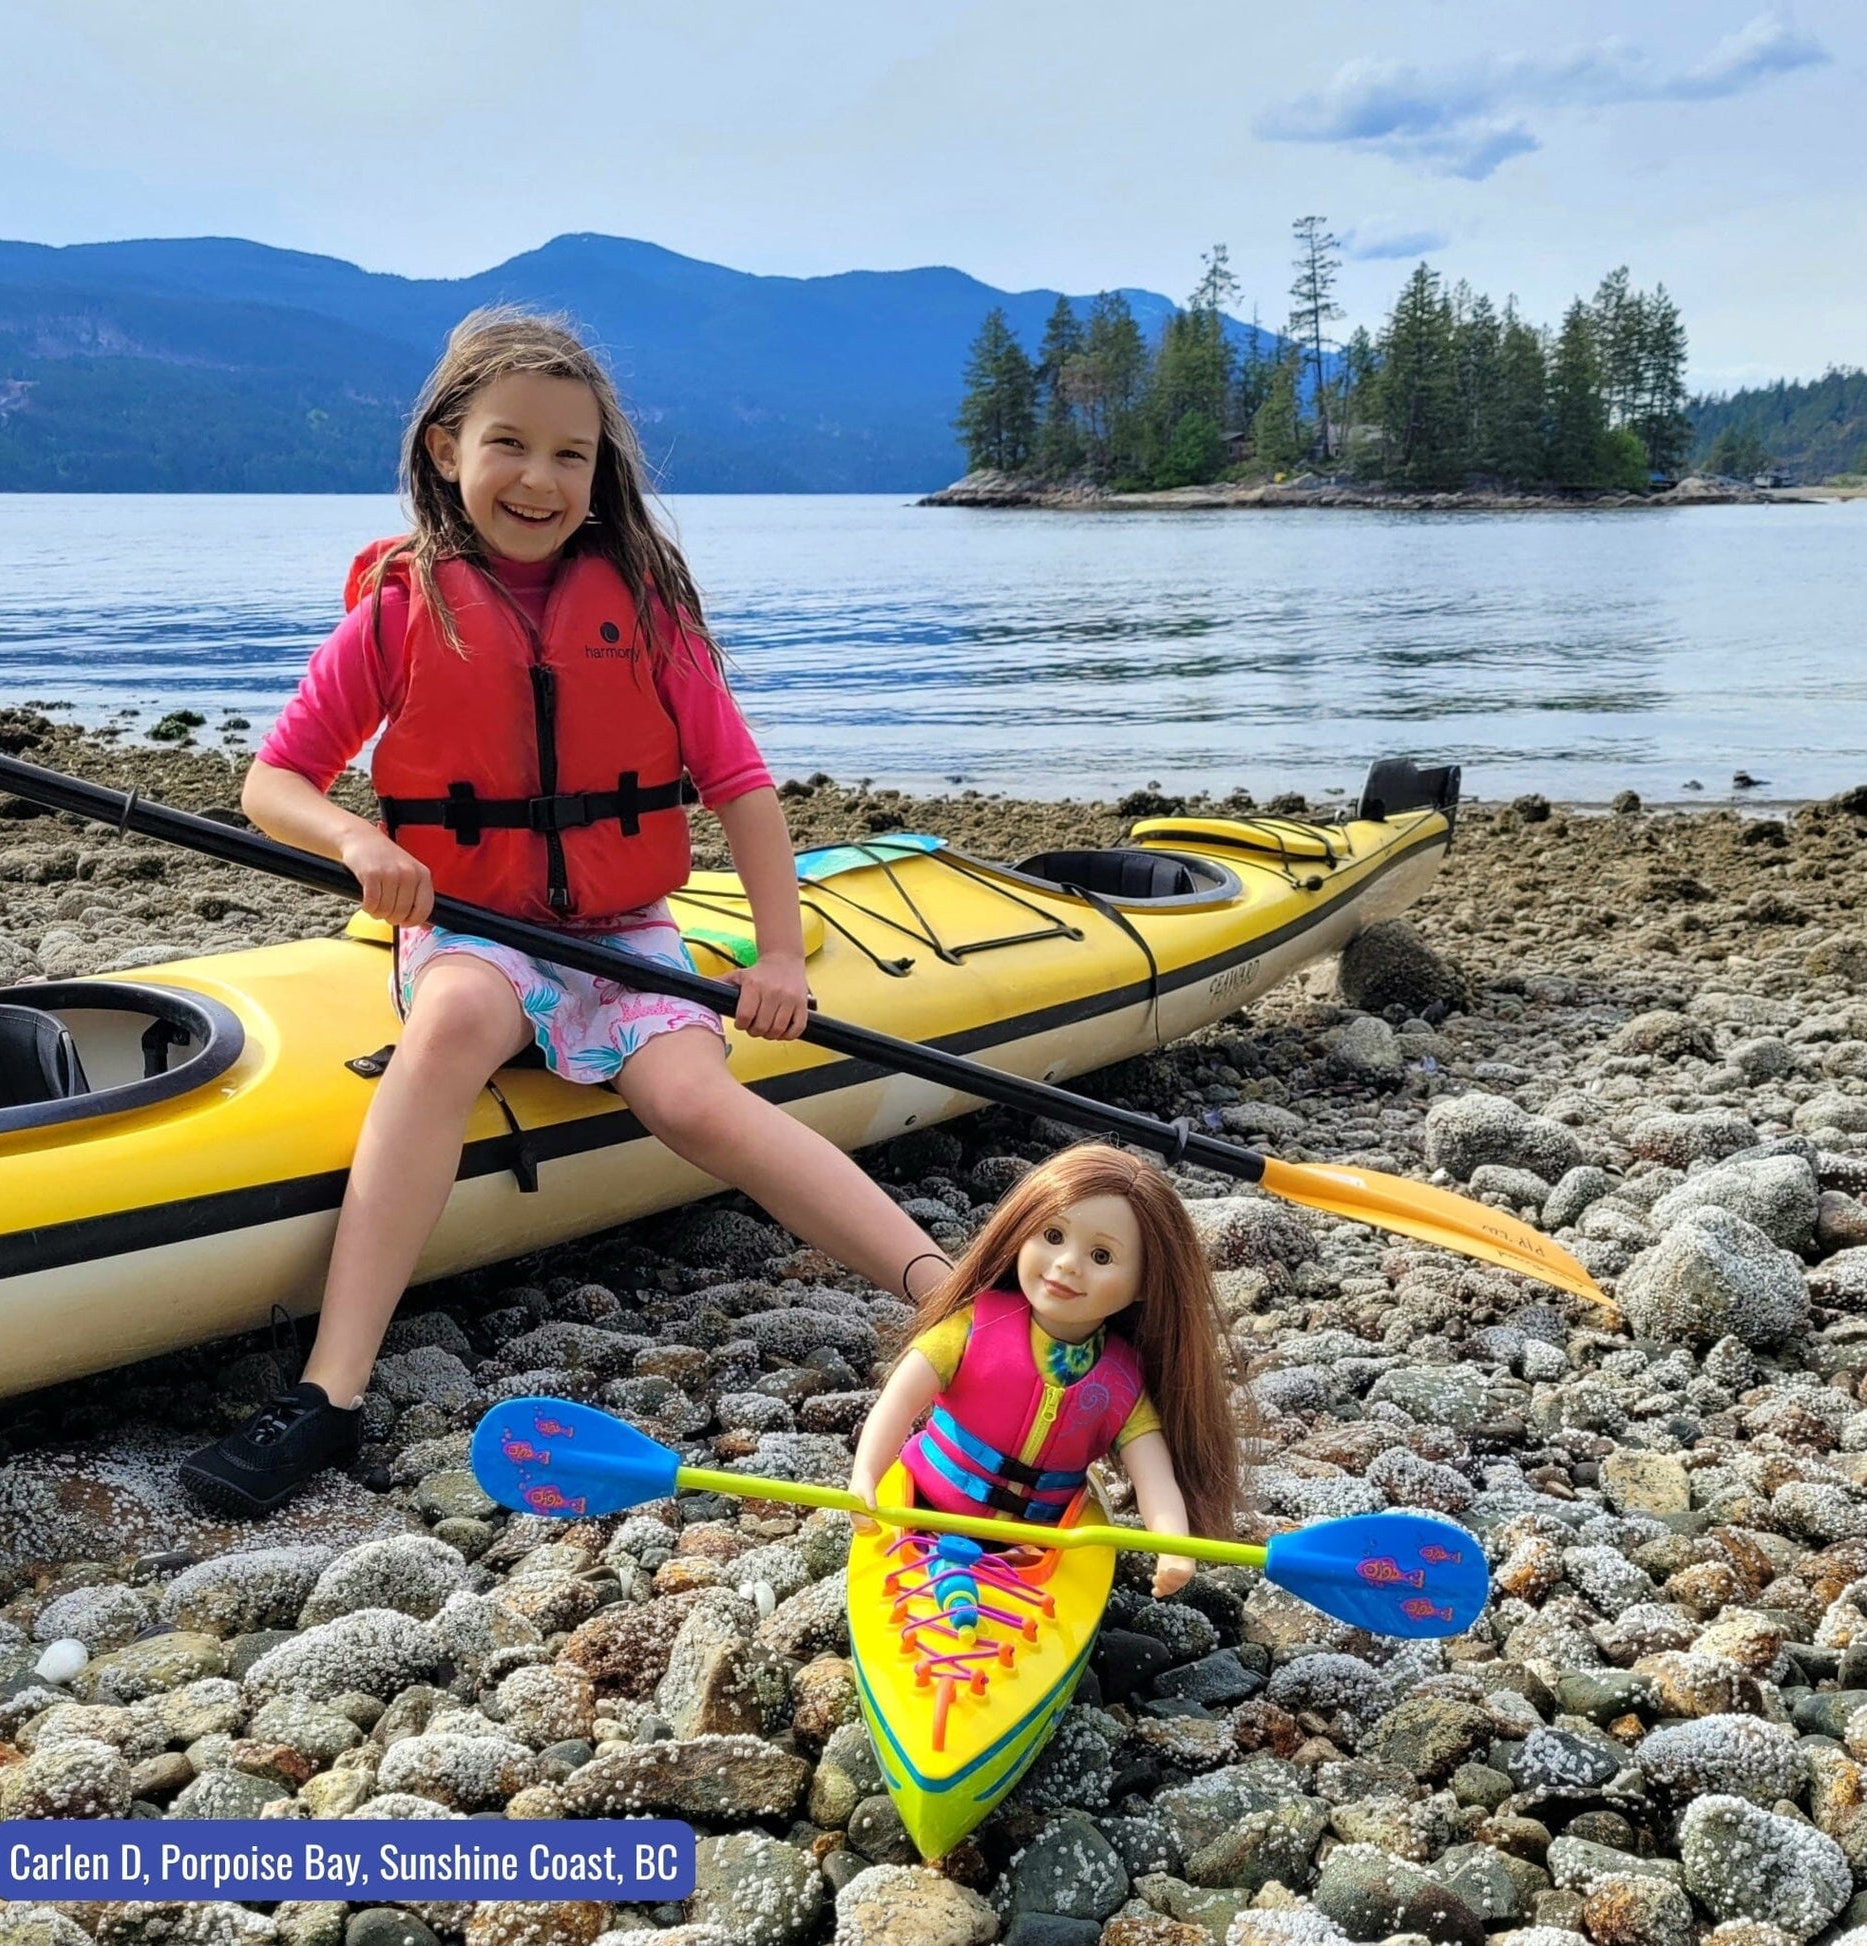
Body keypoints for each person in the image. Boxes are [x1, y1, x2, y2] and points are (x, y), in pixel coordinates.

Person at [181, 305, 951, 1515]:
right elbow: (273, 780)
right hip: (475, 928)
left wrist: (783, 956)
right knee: (444, 1031)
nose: (539, 478)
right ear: (445, 449)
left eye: (569, 454)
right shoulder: (400, 608)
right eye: (509, 443)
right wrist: (356, 838)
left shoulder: (642, 604)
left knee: (695, 1097)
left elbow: (742, 791)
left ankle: (943, 1297)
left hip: (625, 928)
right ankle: (328, 1388)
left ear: (601, 472)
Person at [847, 1143, 1247, 1597]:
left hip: (1037, 1546)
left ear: (1145, 1285)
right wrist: (866, 1476)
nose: (1067, 1265)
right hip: (925, 1512)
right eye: (1053, 1236)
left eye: (1101, 1257)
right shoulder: (971, 1328)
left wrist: (1172, 1545)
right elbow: (897, 1402)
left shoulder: (1120, 1383)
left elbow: (1154, 1476)